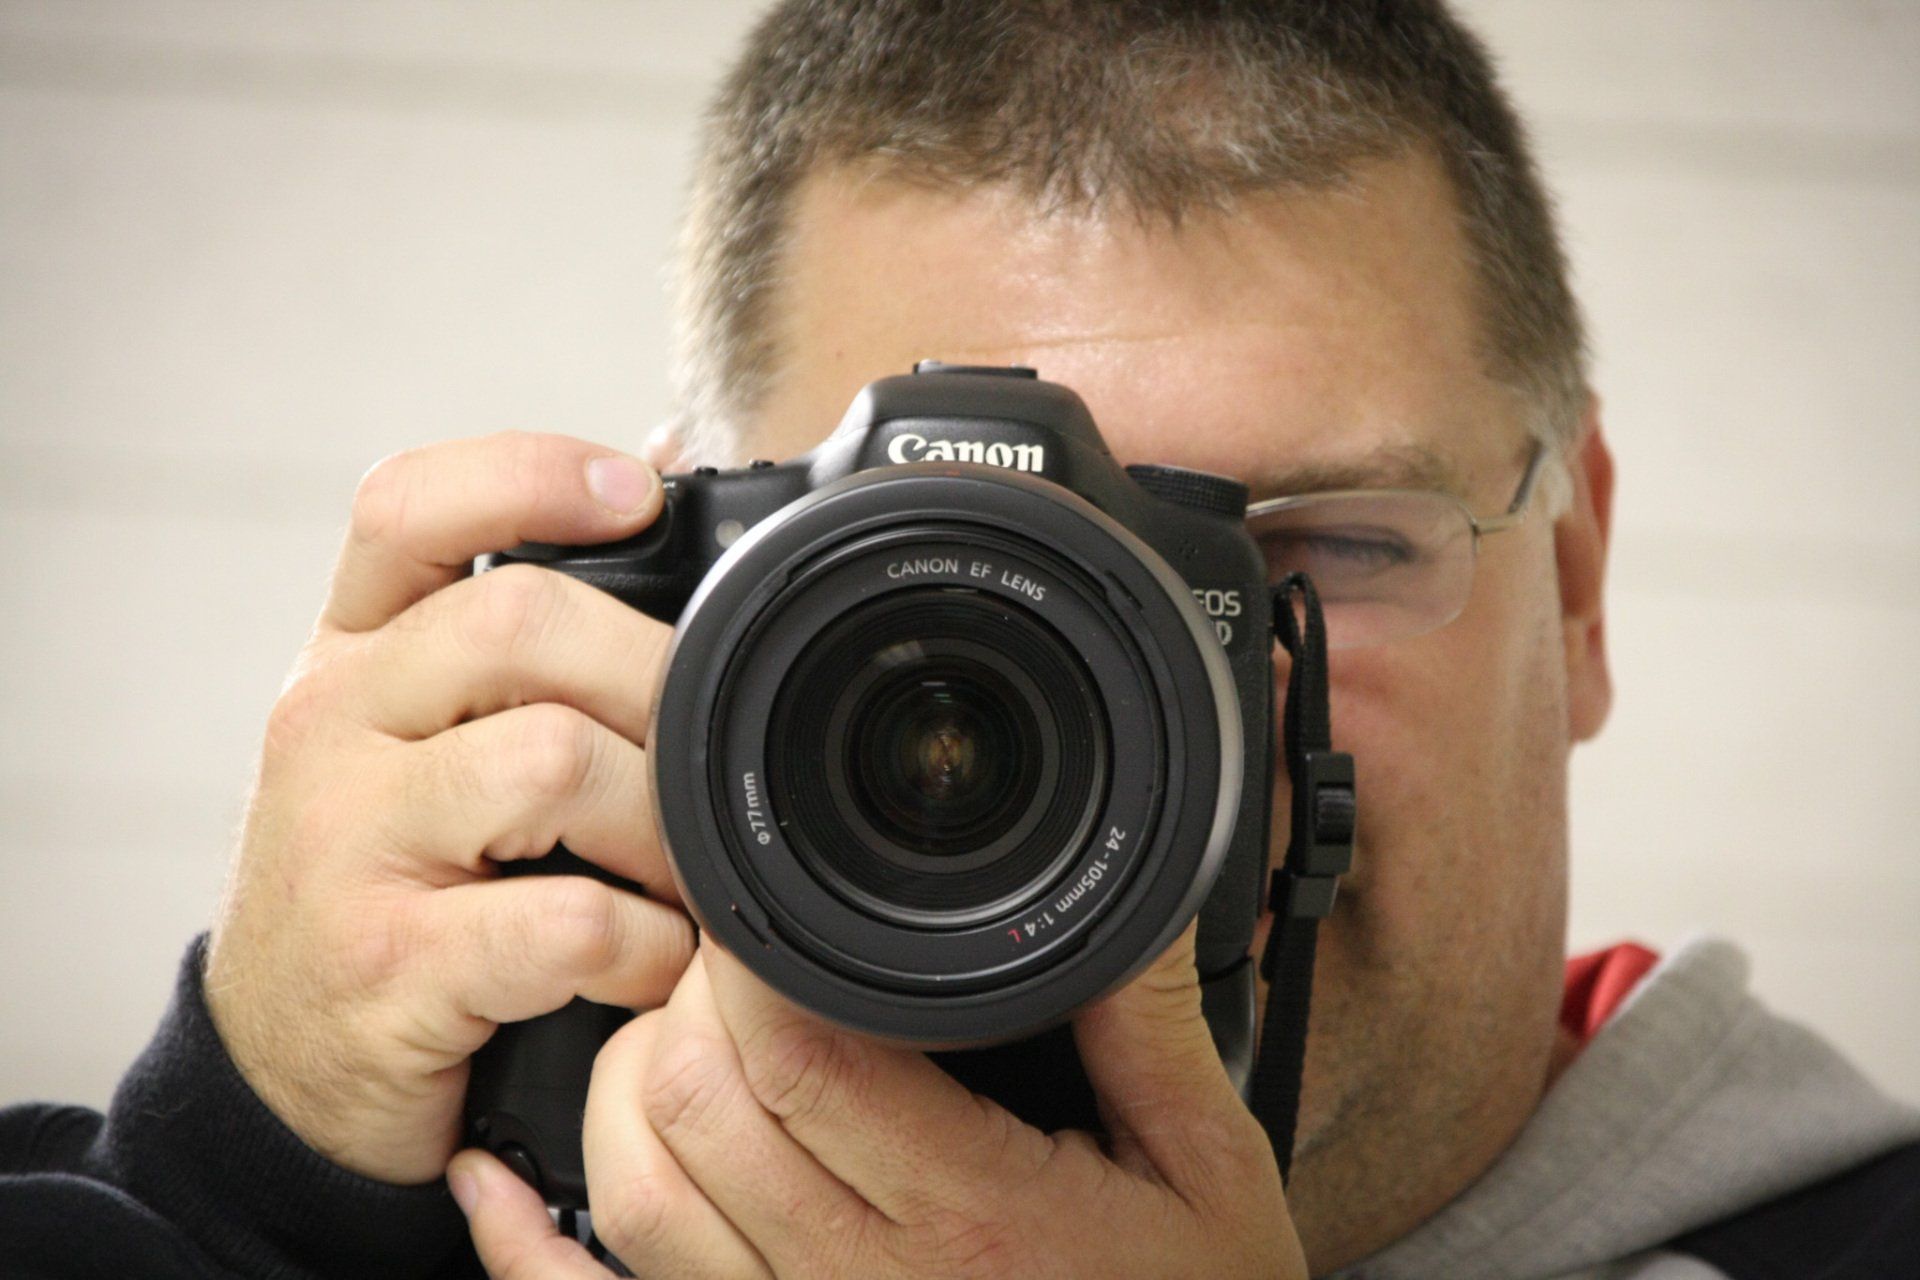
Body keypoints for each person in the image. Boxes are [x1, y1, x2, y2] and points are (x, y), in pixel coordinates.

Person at [3, 3, 1915, 1277]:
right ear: (693, 618)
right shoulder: (442, 1183)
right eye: (955, 564)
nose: (1163, 705)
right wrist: (254, 1179)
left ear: (1575, 594)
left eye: (1319, 545)